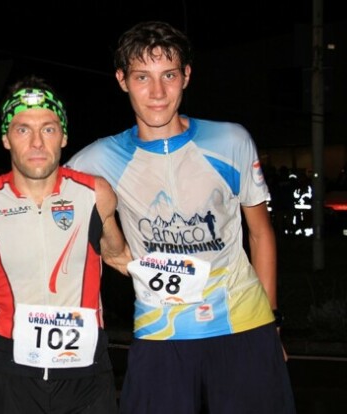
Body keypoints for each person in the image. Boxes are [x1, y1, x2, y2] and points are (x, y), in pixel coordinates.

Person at [66, 21, 296, 413]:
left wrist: (272, 323)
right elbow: (39, 197)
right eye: (142, 77)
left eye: (169, 75)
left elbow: (260, 233)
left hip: (243, 322)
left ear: (186, 76)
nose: (157, 92)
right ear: (122, 80)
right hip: (161, 331)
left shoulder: (230, 141)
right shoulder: (98, 159)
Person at [0, 75, 131, 413]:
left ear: (64, 136)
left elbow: (120, 257)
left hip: (87, 372)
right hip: (14, 372)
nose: (36, 143)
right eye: (22, 130)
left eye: (48, 129)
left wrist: (197, 274)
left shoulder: (95, 194)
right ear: (6, 138)